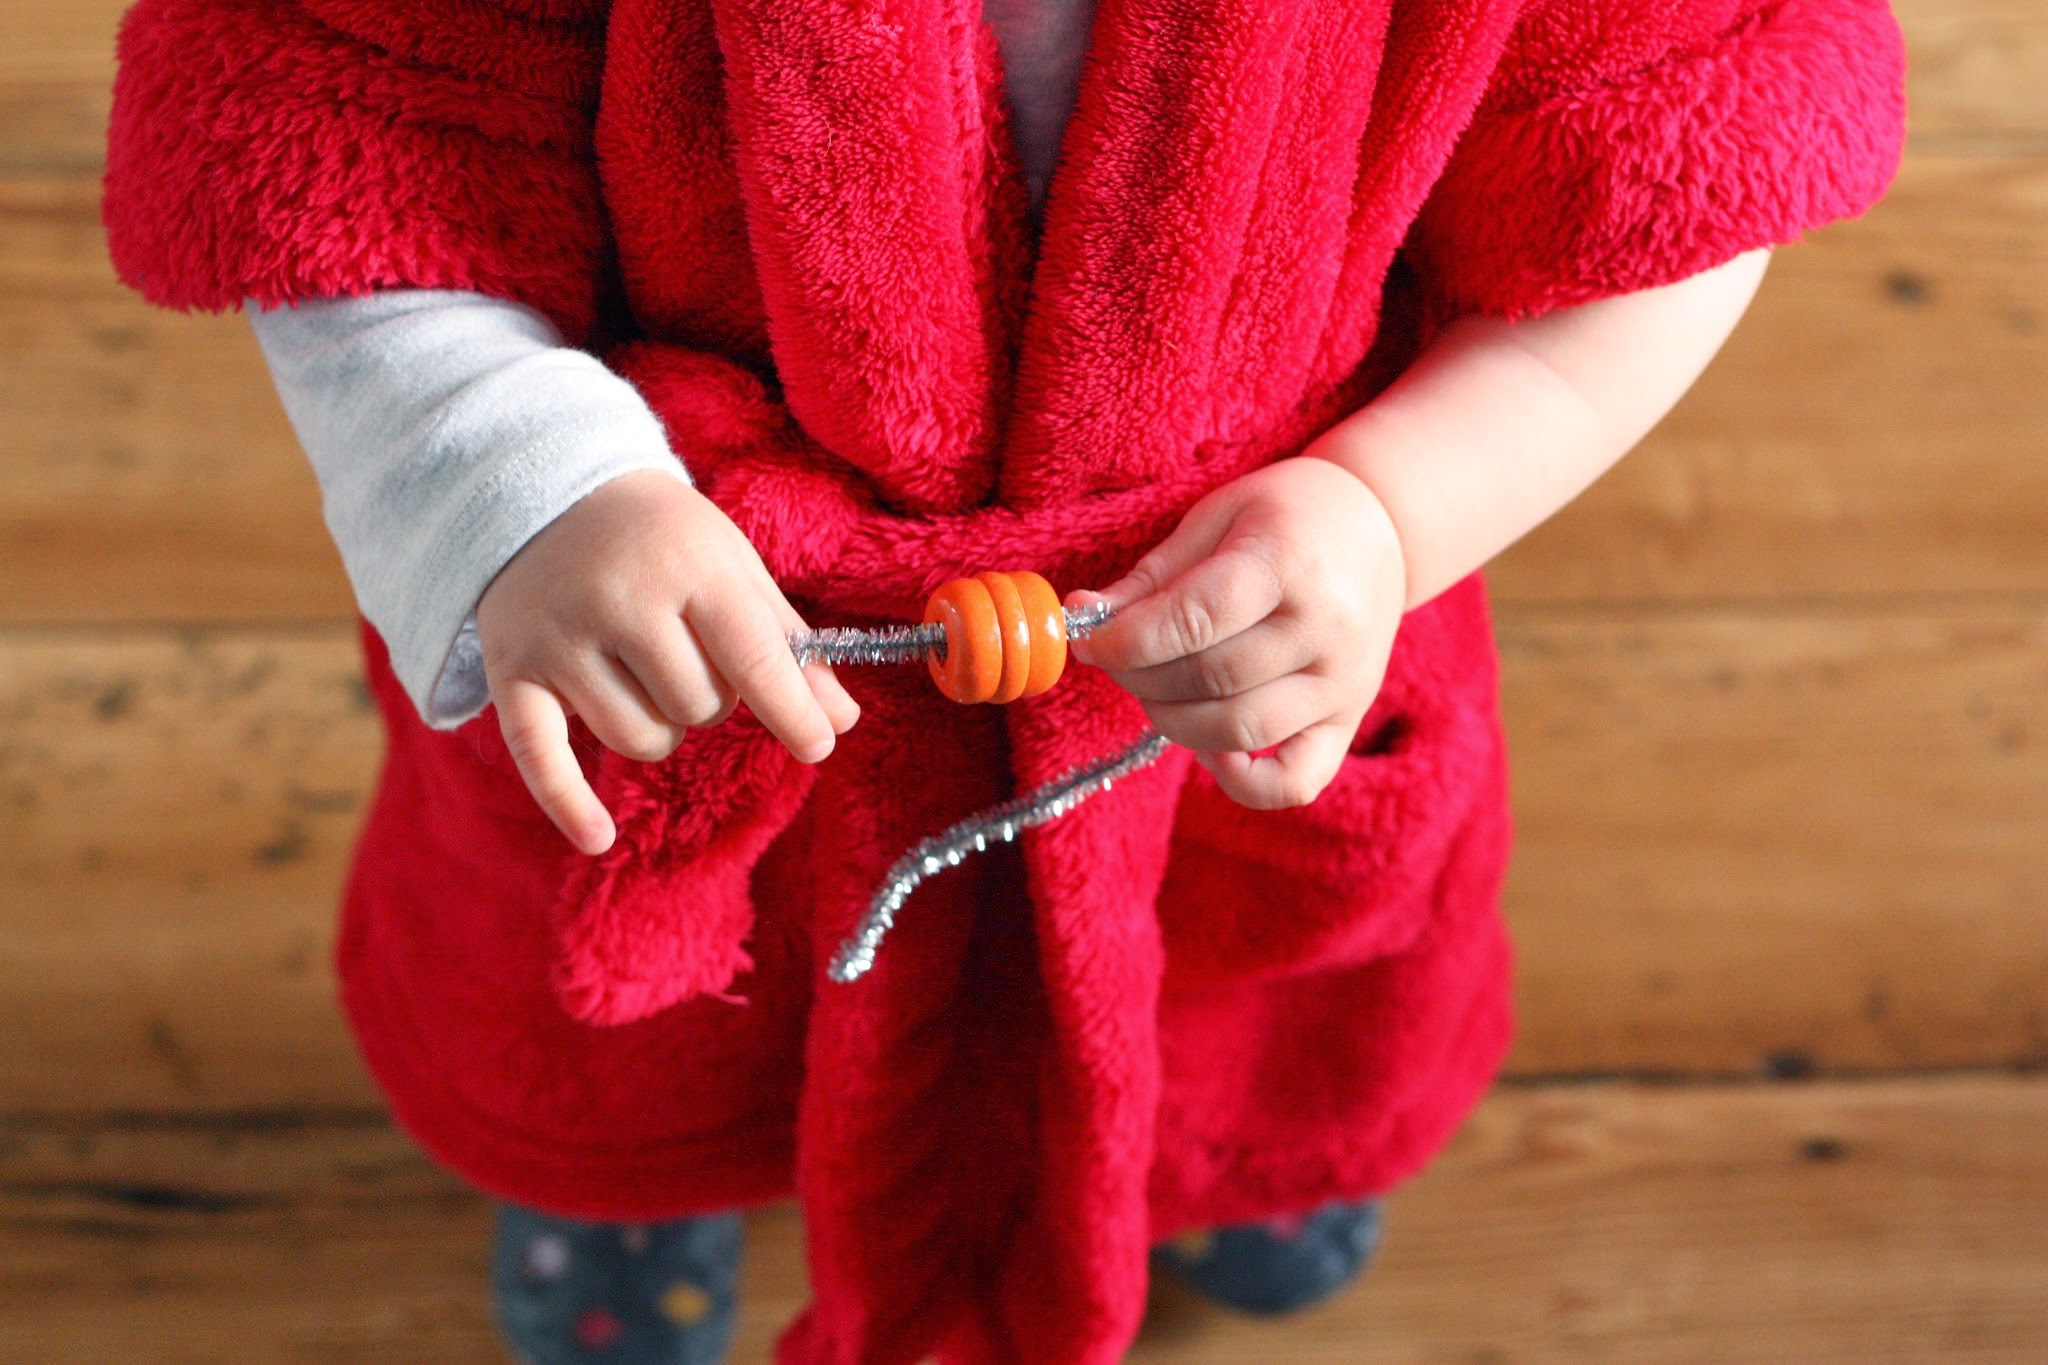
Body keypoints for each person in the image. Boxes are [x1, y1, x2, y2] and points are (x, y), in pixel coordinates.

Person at [101, 0, 1907, 1360]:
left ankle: (1245, 1156)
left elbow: (1684, 170)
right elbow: (341, 127)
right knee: (637, 1047)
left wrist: (1395, 509)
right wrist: (526, 488)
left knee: (1250, 1019)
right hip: (673, 591)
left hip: (1247, 610)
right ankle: (631, 1190)